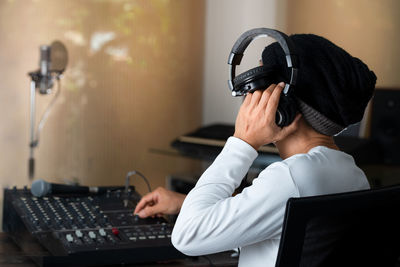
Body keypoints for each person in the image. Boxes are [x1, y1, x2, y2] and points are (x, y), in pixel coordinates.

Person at [134, 34, 376, 267]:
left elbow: (187, 235)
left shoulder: (292, 177)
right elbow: (271, 230)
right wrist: (187, 203)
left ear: (283, 104)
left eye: (261, 85)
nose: (251, 95)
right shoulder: (351, 173)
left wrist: (243, 140)